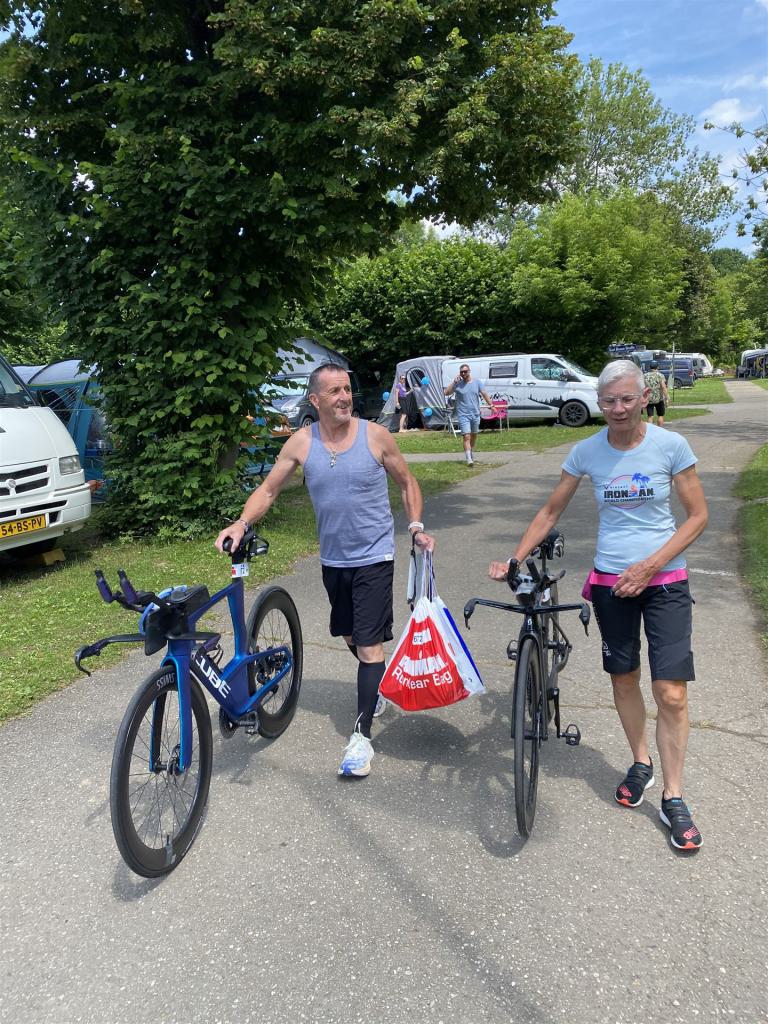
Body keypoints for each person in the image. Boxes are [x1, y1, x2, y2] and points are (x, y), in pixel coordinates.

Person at [488, 359, 708, 851]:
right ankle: (641, 762)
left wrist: (650, 566)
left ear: (644, 398)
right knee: (623, 678)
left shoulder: (671, 446)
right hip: (611, 583)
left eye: (627, 398)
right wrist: (514, 560)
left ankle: (674, 796)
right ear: (599, 403)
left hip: (664, 580)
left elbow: (697, 517)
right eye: (609, 401)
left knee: (671, 692)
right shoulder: (587, 451)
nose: (618, 408)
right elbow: (550, 511)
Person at [215, 363, 435, 779]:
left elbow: (407, 482)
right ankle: (377, 684)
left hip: (374, 556)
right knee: (350, 635)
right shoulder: (302, 442)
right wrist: (241, 523)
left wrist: (416, 527)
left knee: (368, 644)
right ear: (314, 400)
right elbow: (269, 489)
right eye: (334, 391)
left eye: (347, 389)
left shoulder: (375, 436)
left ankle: (361, 738)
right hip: (334, 560)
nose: (344, 397)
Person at [443, 363, 493, 465]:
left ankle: (470, 453)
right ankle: (469, 459)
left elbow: (484, 393)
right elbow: (446, 392)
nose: (463, 373)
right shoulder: (457, 384)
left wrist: (491, 405)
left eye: (465, 371)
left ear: (469, 371)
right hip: (463, 415)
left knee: (473, 435)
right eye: (461, 372)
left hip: (475, 414)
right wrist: (454, 382)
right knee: (466, 436)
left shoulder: (477, 382)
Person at [644, 360, 669, 426]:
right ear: (657, 367)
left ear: (650, 367)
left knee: (650, 416)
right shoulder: (660, 375)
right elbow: (663, 387)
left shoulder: (645, 375)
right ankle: (659, 429)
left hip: (649, 398)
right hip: (659, 398)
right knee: (660, 415)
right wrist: (666, 397)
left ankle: (650, 429)